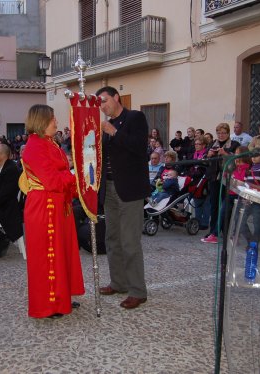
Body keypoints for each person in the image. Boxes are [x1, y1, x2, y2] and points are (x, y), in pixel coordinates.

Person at [21, 104, 84, 319]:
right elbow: (52, 180)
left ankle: (61, 296)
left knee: (60, 252)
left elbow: (62, 174)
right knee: (48, 256)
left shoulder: (49, 143)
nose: (56, 122)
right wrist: (77, 178)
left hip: (58, 204)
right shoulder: (35, 146)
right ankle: (48, 305)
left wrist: (76, 181)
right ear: (41, 122)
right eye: (53, 119)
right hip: (45, 206)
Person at [96, 86, 149, 310]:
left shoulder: (135, 117)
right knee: (112, 239)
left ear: (116, 98)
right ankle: (119, 282)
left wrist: (113, 132)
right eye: (99, 103)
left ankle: (138, 291)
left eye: (104, 101)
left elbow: (139, 147)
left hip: (129, 189)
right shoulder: (106, 126)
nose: (103, 106)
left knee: (130, 242)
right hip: (109, 188)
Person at [202, 123, 240, 243]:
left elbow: (238, 160)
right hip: (214, 179)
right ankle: (213, 231)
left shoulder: (234, 145)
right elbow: (204, 159)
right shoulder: (213, 144)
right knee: (214, 205)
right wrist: (208, 155)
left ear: (228, 133)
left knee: (226, 207)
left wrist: (225, 154)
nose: (221, 135)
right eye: (219, 133)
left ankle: (225, 231)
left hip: (228, 180)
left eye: (223, 133)